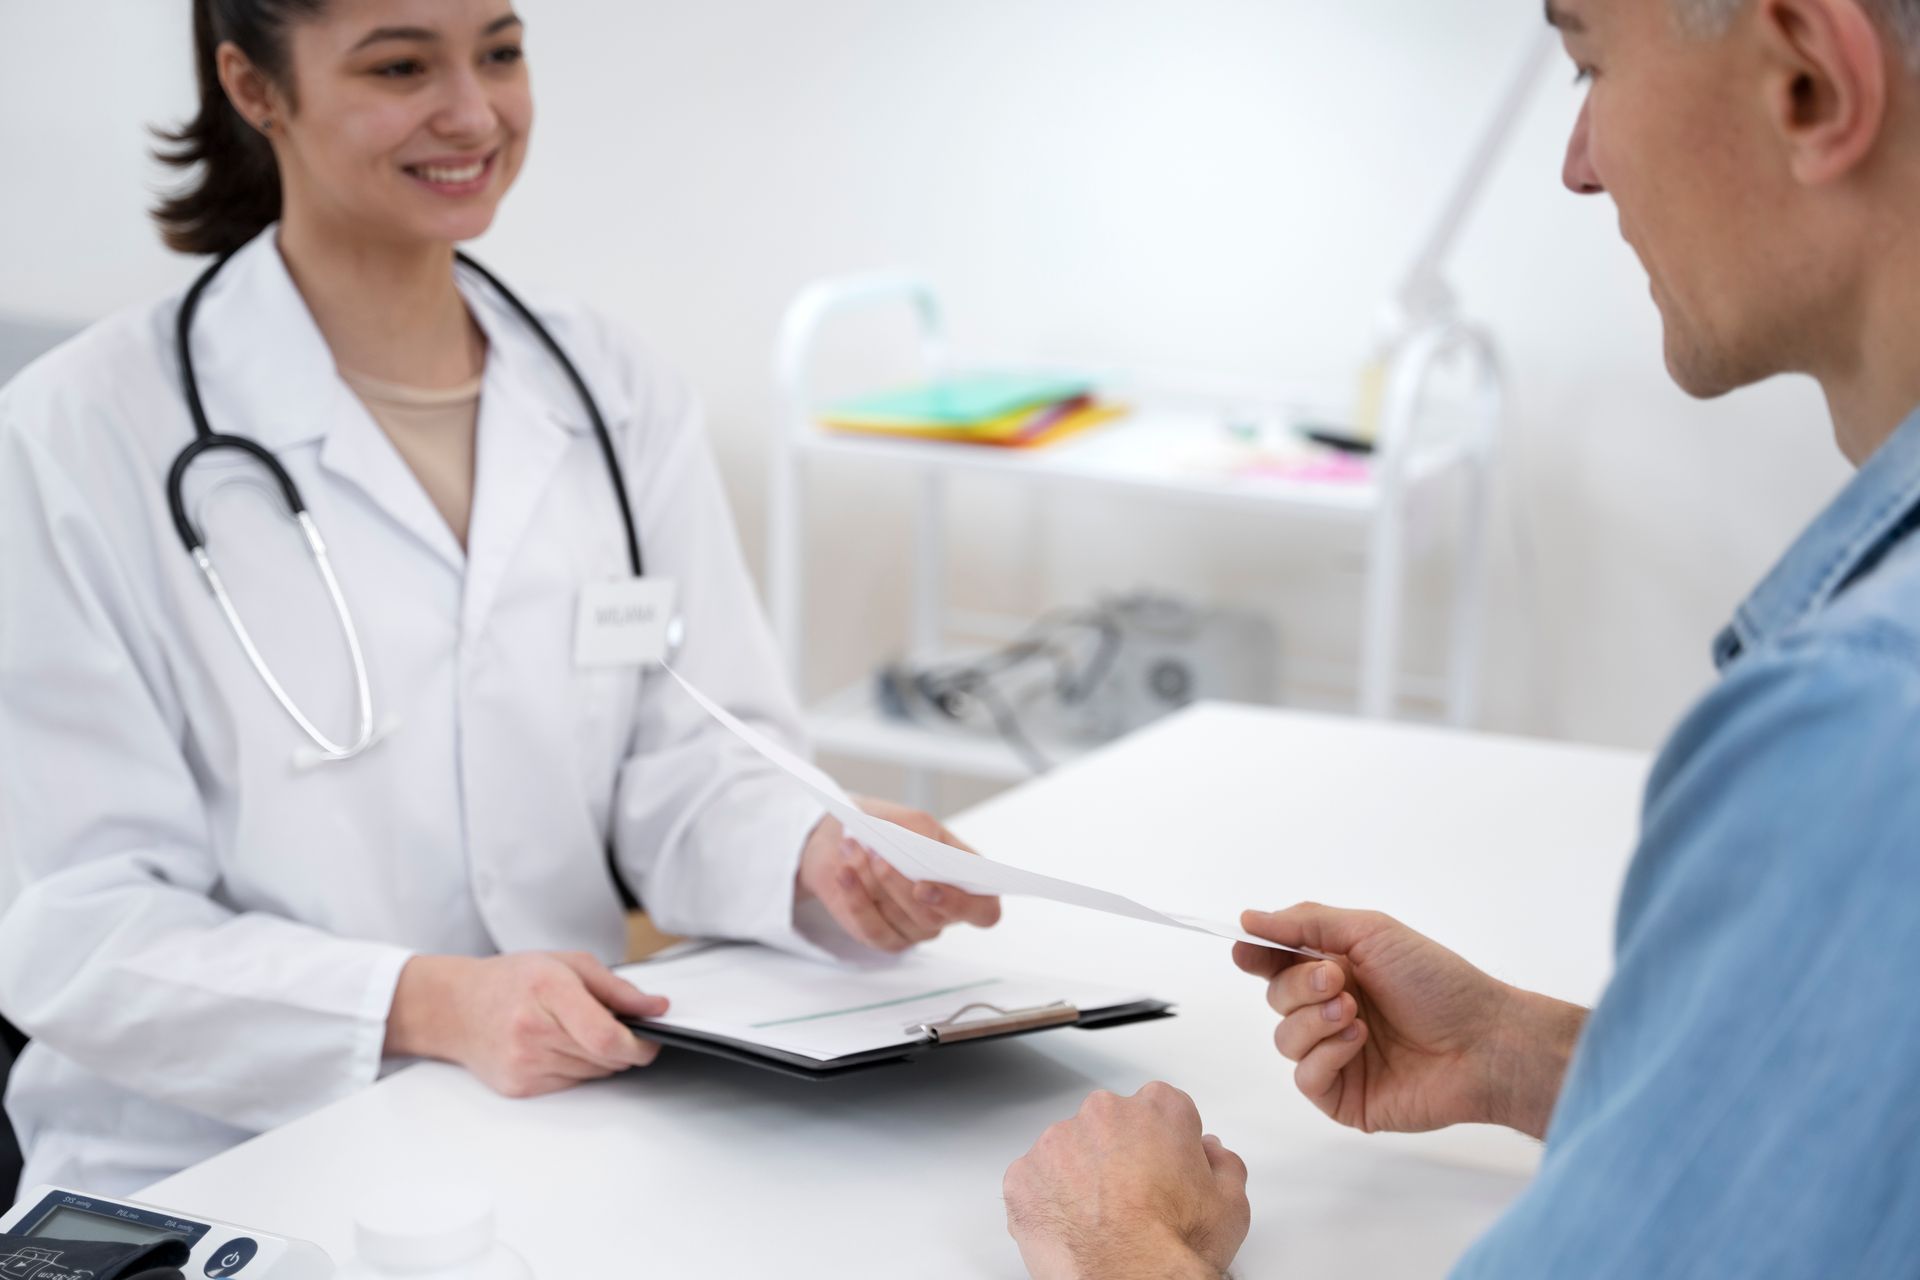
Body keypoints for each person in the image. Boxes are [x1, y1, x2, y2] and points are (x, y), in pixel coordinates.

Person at [0, 0, 1000, 1195]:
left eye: (501, 52)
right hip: (204, 1165)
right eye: (401, 64)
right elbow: (76, 926)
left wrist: (816, 852)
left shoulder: (614, 391)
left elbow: (687, 760)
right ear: (254, 87)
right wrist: (432, 1000)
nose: (472, 112)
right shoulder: (75, 435)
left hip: (558, 1126)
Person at [1003, 0, 1920, 1272]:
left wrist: (1113, 1240)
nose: (1579, 160)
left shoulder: (1869, 728)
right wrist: (1520, 1051)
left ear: (1811, 82)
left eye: (1592, 64)